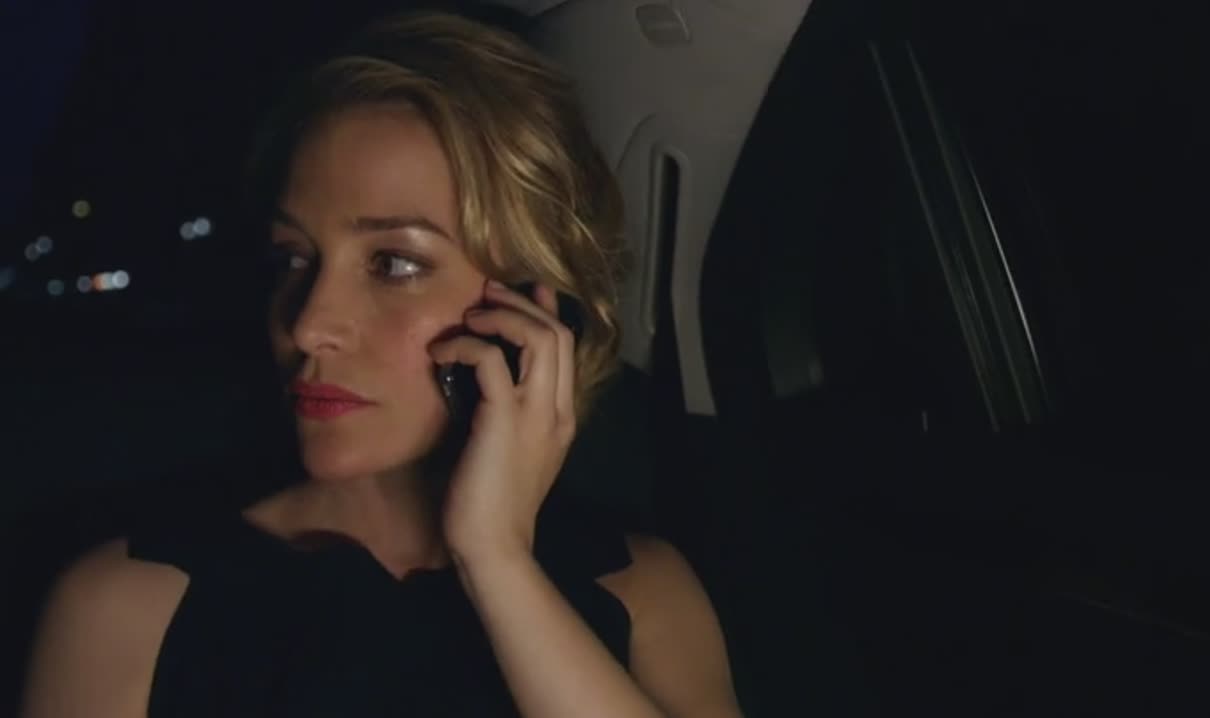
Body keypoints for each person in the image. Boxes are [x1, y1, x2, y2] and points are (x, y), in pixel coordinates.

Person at [20, 11, 742, 718]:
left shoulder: (640, 590)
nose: (309, 326)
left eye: (394, 263)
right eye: (293, 259)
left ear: (533, 311)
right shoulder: (128, 607)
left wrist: (497, 561)